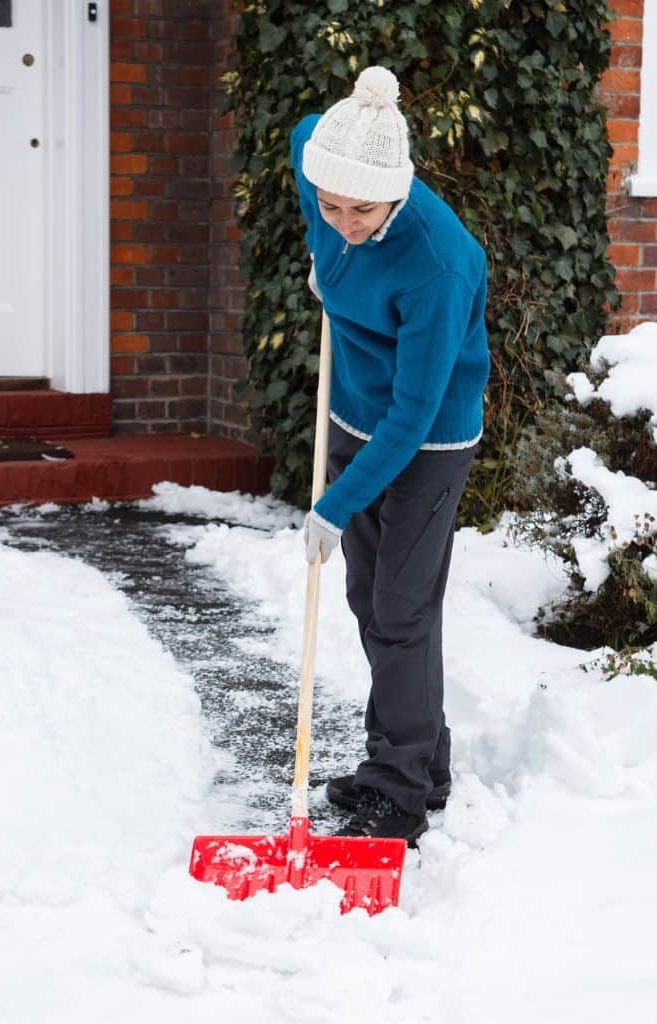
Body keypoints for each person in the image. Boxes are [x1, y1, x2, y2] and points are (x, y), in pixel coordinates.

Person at [289, 66, 490, 845]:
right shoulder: (328, 165)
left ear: (398, 191)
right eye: (327, 204)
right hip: (352, 410)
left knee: (400, 612)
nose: (340, 220)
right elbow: (309, 124)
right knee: (372, 601)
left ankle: (399, 789)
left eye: (360, 210)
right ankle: (421, 758)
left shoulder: (439, 263)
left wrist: (332, 508)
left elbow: (413, 416)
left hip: (424, 440)